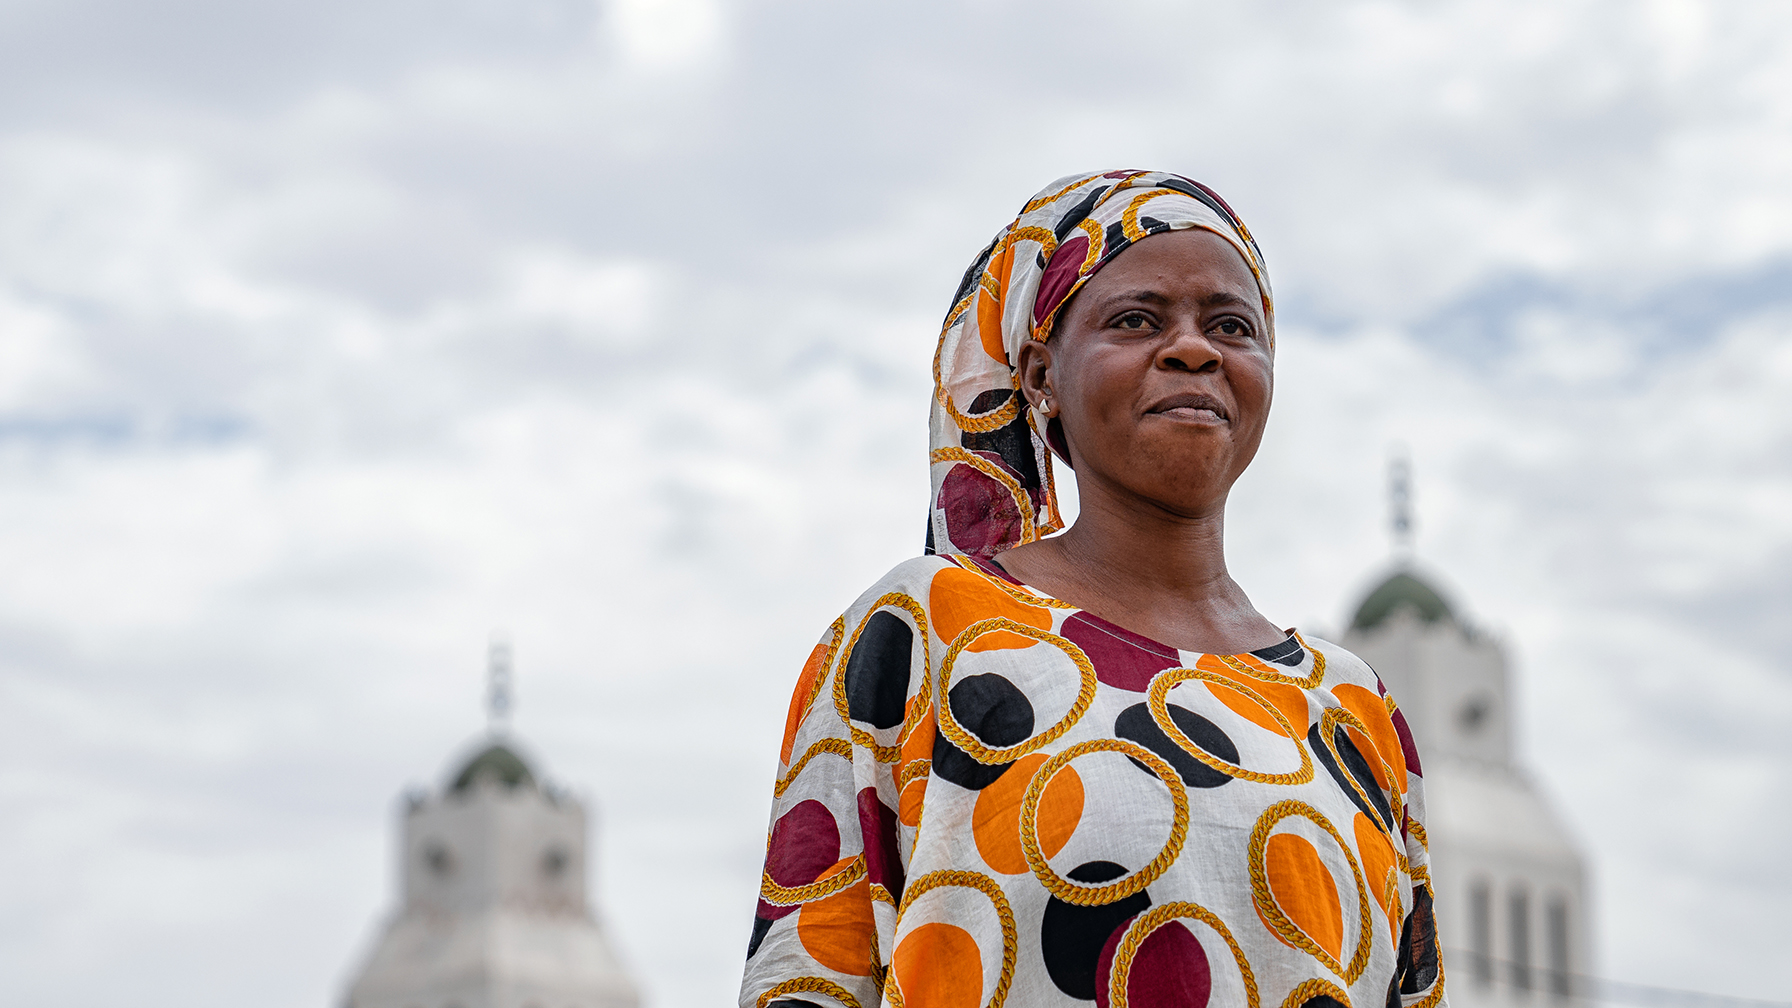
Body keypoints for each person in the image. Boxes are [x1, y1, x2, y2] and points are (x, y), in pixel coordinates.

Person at [740, 171, 1445, 1008]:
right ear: (1040, 377)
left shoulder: (1353, 707)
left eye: (1231, 326)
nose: (1195, 349)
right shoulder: (926, 632)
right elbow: (807, 974)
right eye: (1136, 319)